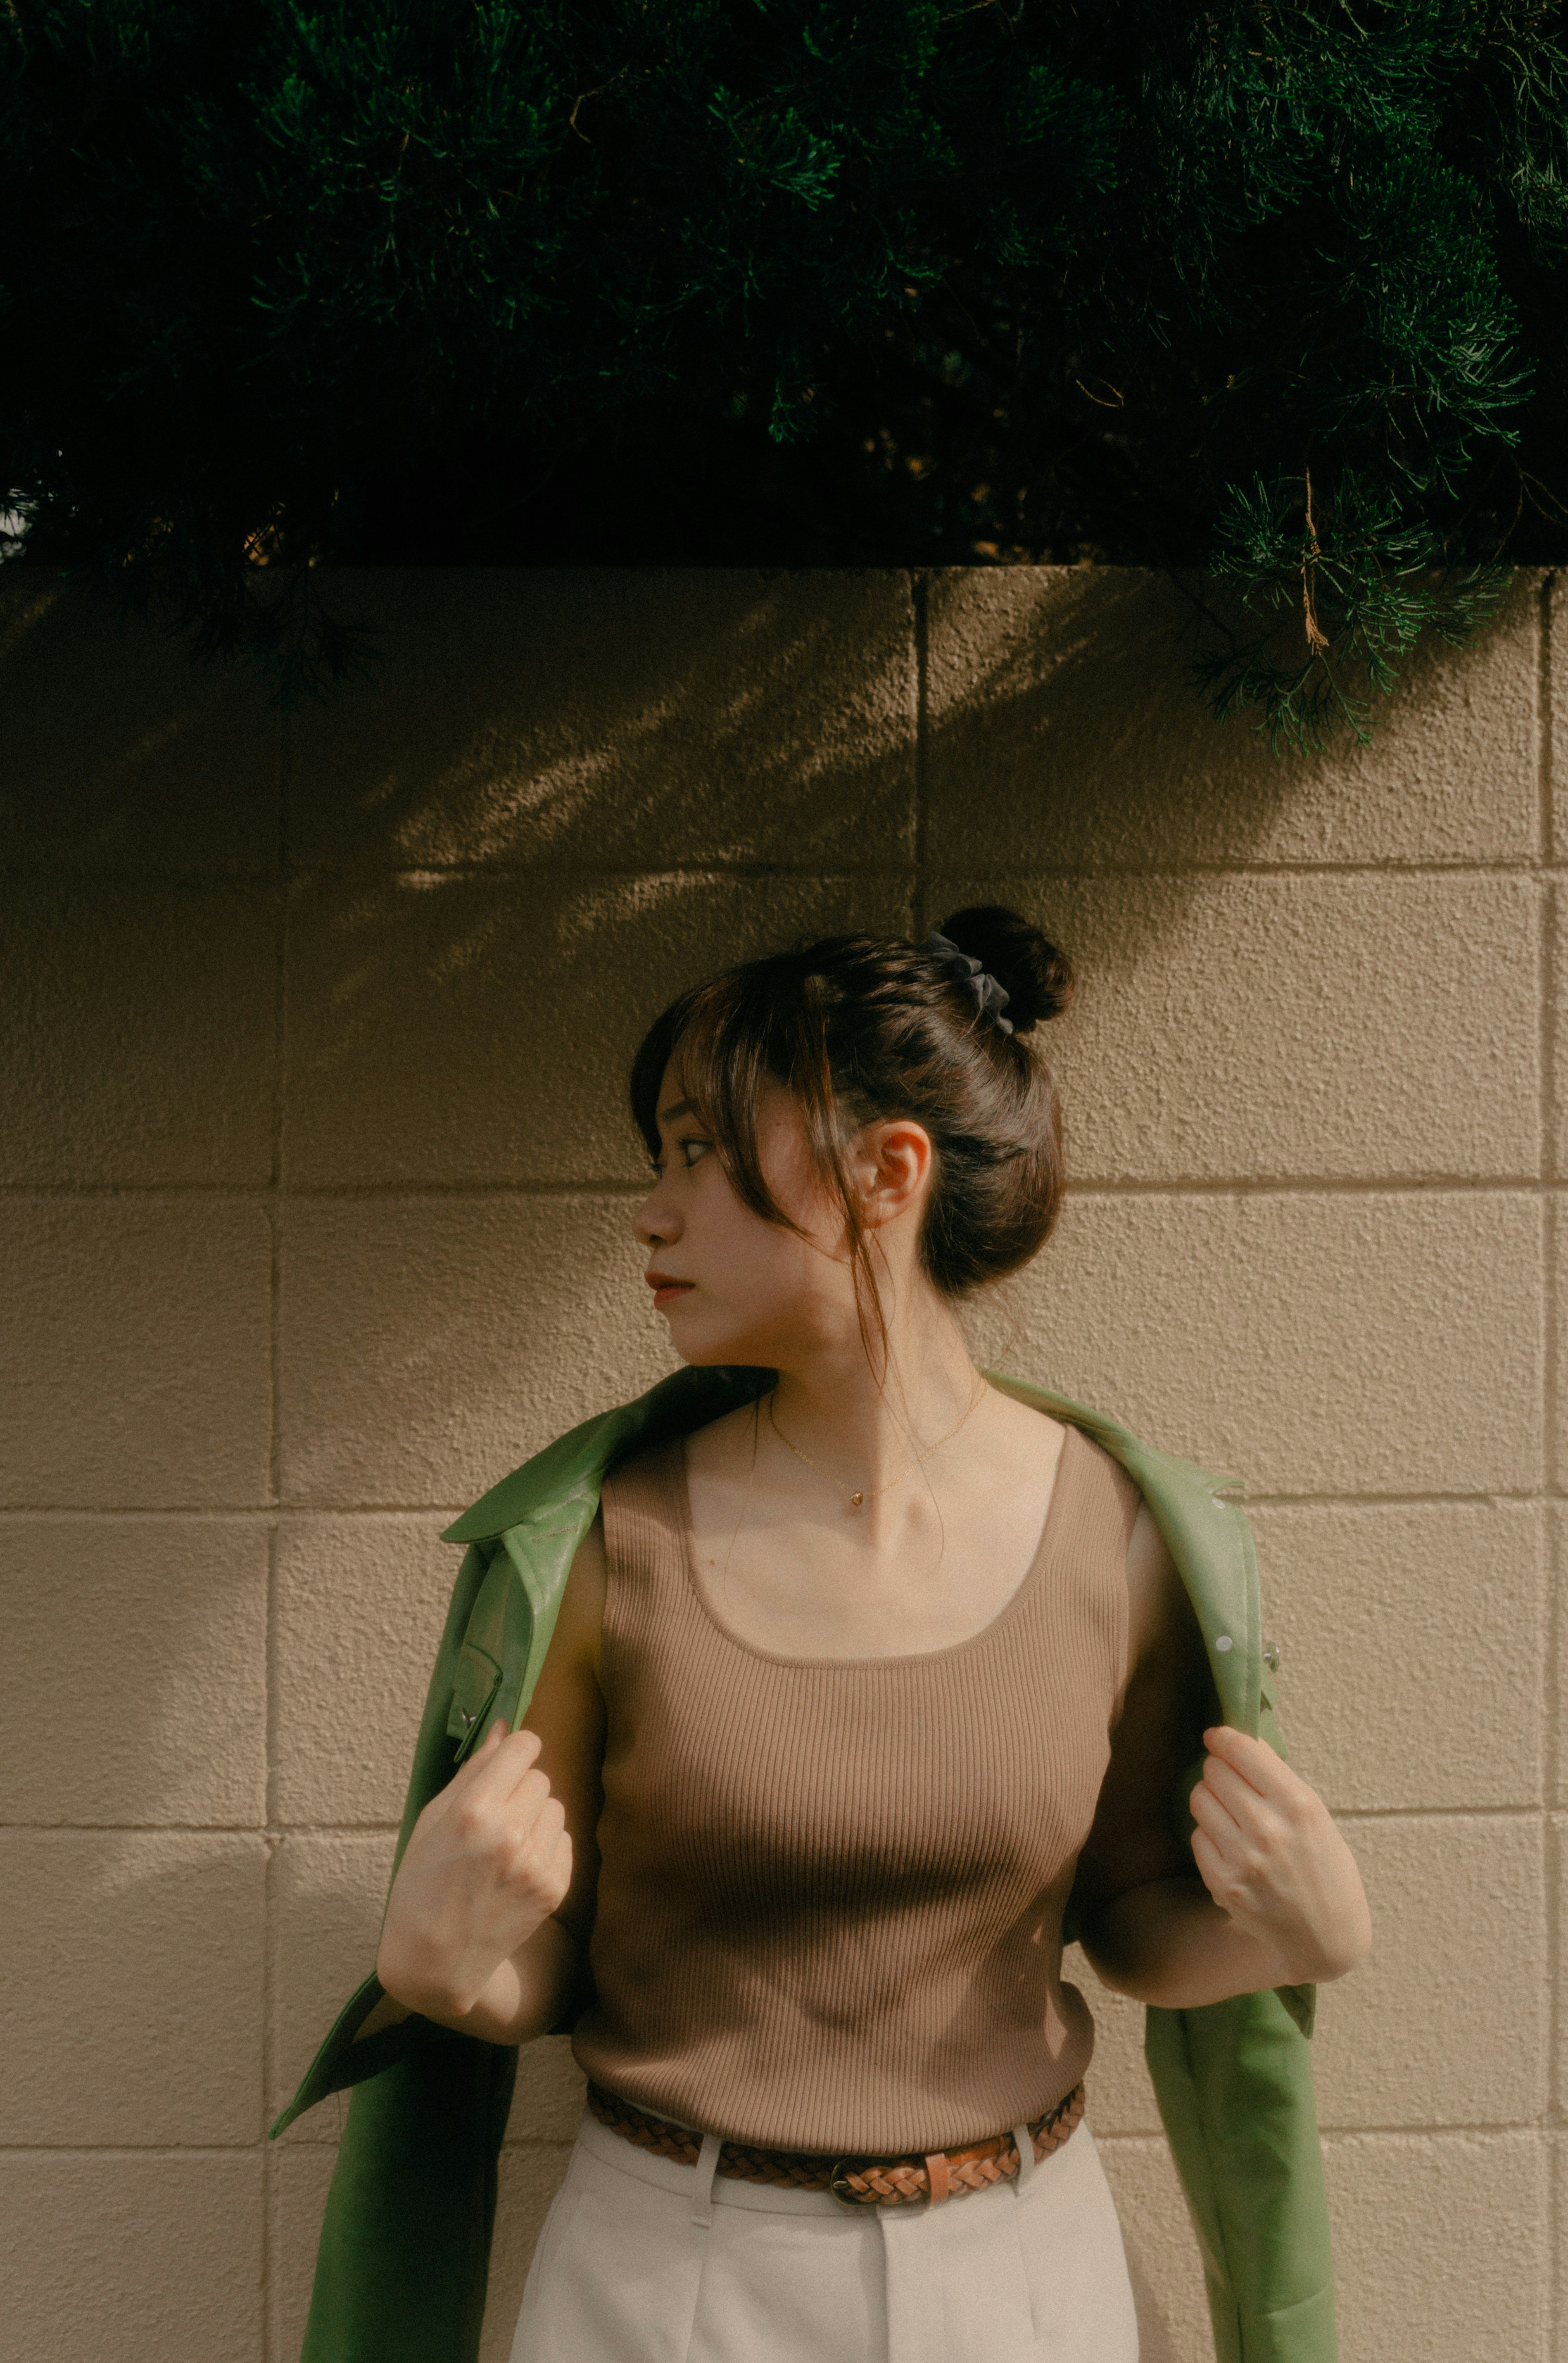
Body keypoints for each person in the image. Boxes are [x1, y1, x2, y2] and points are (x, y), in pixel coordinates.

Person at [354, 906, 1372, 2363]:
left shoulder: (1127, 1538)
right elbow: (557, 1959)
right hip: (662, 2283)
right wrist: (444, 1974)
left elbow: (1135, 1911)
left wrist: (1290, 1940)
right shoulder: (604, 1545)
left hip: (1026, 2282)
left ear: (887, 1173)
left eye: (701, 1150)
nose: (653, 1210)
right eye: (664, 1157)